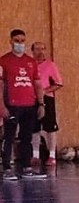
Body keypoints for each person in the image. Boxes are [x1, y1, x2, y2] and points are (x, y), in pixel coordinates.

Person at [0, 29, 46, 181]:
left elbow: (37, 84)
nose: (20, 43)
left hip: (29, 105)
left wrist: (41, 104)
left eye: (22, 41)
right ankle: (7, 168)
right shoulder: (4, 61)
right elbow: (0, 85)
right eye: (16, 41)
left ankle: (27, 168)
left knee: (26, 137)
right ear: (11, 41)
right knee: (9, 136)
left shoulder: (31, 62)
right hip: (12, 105)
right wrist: (2, 106)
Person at [29, 42, 62, 167]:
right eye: (37, 49)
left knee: (50, 127)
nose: (40, 52)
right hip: (31, 99)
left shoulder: (50, 65)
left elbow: (58, 83)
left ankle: (52, 156)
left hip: (47, 99)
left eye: (42, 49)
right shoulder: (29, 64)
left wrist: (44, 91)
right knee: (34, 128)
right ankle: (35, 155)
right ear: (32, 51)